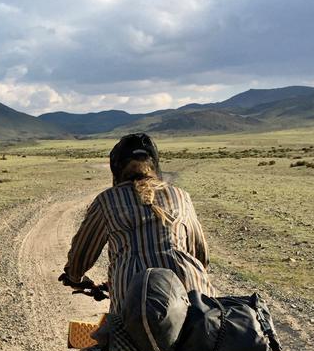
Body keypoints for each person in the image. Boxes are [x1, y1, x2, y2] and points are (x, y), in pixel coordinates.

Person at [61, 132, 211, 332]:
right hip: (195, 304)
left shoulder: (107, 201)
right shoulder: (181, 196)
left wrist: (74, 276)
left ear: (116, 168)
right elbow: (200, 254)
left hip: (133, 310)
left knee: (107, 347)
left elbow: (81, 255)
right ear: (155, 165)